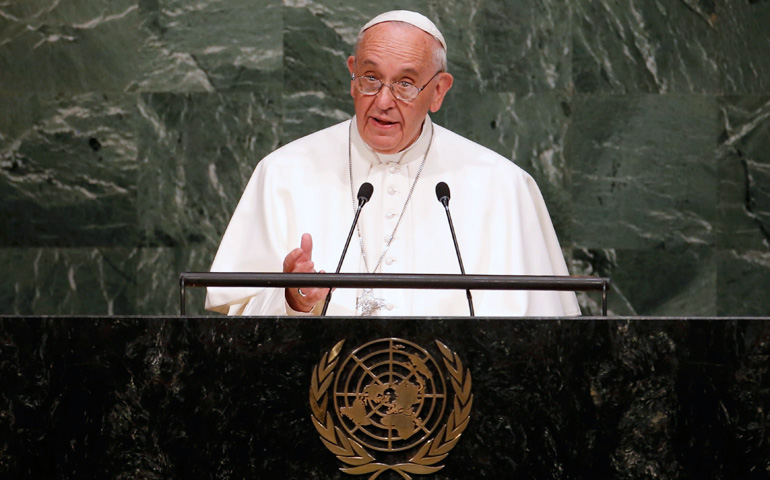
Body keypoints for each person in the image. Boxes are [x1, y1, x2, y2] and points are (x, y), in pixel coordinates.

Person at [205, 10, 580, 317]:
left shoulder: (502, 186)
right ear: (352, 76)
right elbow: (235, 324)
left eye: (405, 84)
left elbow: (537, 337)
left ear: (438, 91)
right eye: (371, 78)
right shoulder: (282, 174)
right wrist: (292, 299)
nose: (383, 101)